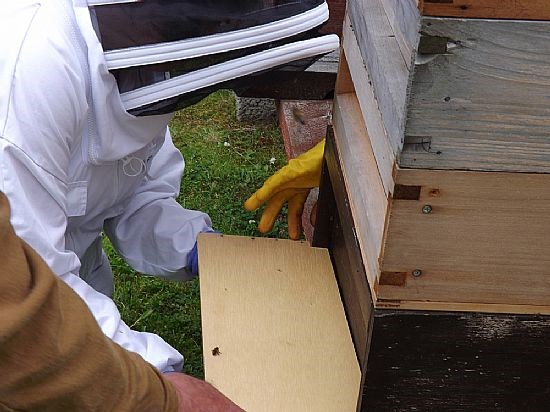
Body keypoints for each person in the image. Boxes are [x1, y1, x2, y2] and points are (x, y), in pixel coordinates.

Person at [0, 191, 242, 411]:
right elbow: (37, 318)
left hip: (83, 266)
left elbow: (134, 186)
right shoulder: (15, 152)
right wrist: (157, 390)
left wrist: (190, 242)